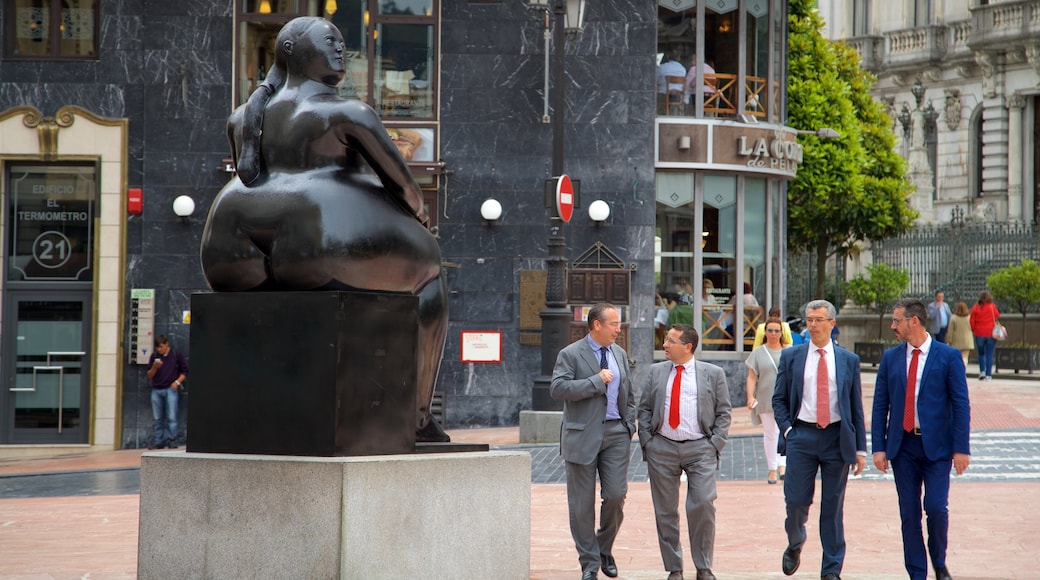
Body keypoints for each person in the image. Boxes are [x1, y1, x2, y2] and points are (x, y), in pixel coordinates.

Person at [200, 17, 450, 442]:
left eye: (340, 41)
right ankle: (419, 417)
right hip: (318, 238)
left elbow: (249, 173)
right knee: (431, 275)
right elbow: (403, 185)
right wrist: (420, 217)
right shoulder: (347, 112)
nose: (340, 49)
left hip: (229, 242)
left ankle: (261, 416)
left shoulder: (243, 117)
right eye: (329, 41)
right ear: (295, 51)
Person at [871, 298, 971, 580]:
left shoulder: (948, 356)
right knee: (909, 513)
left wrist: (961, 448)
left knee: (936, 508)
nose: (893, 326)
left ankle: (938, 561)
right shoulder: (891, 358)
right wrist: (878, 447)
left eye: (896, 321)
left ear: (913, 321)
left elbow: (961, 403)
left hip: (937, 447)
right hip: (903, 447)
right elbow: (881, 405)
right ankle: (917, 573)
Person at [772, 299, 866, 580]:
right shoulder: (791, 357)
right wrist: (789, 431)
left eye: (818, 319)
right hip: (802, 435)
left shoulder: (849, 360)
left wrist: (860, 448)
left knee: (833, 506)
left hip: (837, 438)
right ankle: (795, 540)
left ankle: (831, 570)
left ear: (831, 323)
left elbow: (855, 407)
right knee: (796, 500)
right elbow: (778, 399)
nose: (812, 324)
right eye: (809, 319)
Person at [637, 324, 731, 580]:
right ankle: (674, 568)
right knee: (665, 510)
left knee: (702, 504)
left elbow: (723, 412)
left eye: (670, 341)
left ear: (687, 346)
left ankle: (703, 566)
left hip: (701, 448)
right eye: (666, 340)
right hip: (662, 447)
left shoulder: (713, 373)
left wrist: (715, 445)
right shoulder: (656, 372)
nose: (665, 344)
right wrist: (648, 441)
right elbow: (644, 408)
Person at [550, 303, 637, 580]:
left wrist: (629, 424)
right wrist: (595, 382)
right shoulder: (570, 354)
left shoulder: (620, 354)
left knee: (615, 495)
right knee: (581, 505)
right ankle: (589, 564)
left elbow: (629, 392)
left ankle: (604, 548)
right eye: (613, 324)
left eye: (619, 324)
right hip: (581, 436)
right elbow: (558, 388)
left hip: (616, 434)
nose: (618, 329)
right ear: (596, 325)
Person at [746, 316, 789, 484]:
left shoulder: (789, 351)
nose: (773, 333)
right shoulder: (758, 352)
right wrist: (750, 396)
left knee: (785, 432)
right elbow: (751, 377)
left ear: (781, 332)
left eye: (776, 330)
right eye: (770, 330)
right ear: (765, 332)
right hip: (765, 399)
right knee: (771, 434)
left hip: (785, 399)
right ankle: (772, 469)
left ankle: (783, 466)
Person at [147, 335, 189, 450]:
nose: (159, 350)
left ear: (167, 344)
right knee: (157, 418)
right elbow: (150, 375)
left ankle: (172, 439)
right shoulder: (154, 357)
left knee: (172, 416)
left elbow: (185, 371)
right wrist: (155, 367)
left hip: (171, 389)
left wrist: (177, 382)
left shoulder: (176, 355)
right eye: (157, 348)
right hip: (156, 390)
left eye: (161, 347)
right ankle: (158, 441)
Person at [968, 290, 1000, 381]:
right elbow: (997, 315)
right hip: (990, 333)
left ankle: (982, 371)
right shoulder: (992, 306)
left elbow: (972, 320)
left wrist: (974, 329)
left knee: (981, 353)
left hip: (979, 333)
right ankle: (988, 375)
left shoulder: (975, 307)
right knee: (989, 354)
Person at [945, 301, 974, 369]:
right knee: (965, 357)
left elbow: (950, 330)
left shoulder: (954, 318)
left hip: (956, 341)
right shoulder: (969, 317)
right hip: (967, 341)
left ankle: (958, 369)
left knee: (956, 357)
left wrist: (949, 340)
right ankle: (963, 368)